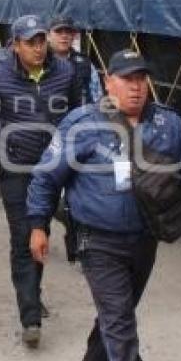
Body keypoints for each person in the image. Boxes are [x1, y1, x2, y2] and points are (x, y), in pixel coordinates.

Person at [26, 49, 181, 361]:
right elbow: (45, 177)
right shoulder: (82, 123)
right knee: (121, 323)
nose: (136, 87)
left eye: (141, 79)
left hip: (146, 237)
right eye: (127, 79)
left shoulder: (168, 123)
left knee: (120, 309)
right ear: (107, 82)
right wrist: (38, 224)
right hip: (97, 241)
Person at [0, 14, 84, 347]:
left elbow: (77, 117)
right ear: (15, 45)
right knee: (24, 236)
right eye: (31, 42)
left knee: (41, 231)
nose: (39, 48)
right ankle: (30, 317)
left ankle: (33, 290)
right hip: (14, 168)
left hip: (53, 169)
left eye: (42, 40)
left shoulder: (66, 73)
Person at [47, 15, 104, 262]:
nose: (64, 36)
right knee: (45, 190)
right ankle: (38, 233)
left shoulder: (84, 63)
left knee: (77, 192)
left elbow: (97, 97)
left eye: (68, 32)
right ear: (49, 34)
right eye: (59, 31)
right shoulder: (40, 61)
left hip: (78, 135)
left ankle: (76, 245)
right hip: (45, 136)